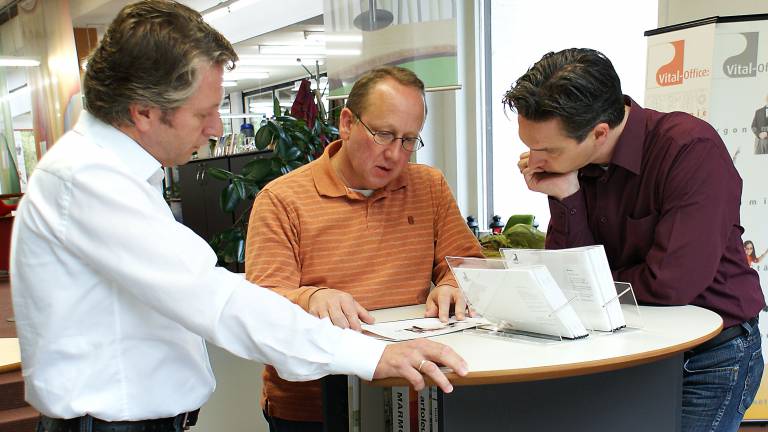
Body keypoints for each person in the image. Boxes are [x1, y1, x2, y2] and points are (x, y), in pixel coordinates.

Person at [9, 3, 468, 432]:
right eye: (204, 113)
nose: (215, 129)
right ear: (144, 112)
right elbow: (216, 301)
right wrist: (371, 355)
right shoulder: (87, 181)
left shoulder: (114, 174)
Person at [504, 48, 765, 432]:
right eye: (530, 146)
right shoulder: (573, 166)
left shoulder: (689, 150)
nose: (533, 161)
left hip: (710, 356)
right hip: (631, 346)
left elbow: (671, 283)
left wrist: (590, 287)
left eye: (548, 150)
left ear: (599, 133)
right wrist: (565, 196)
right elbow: (567, 275)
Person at [245, 66, 484, 430]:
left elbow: (467, 264)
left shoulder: (428, 185)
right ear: (347, 123)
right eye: (383, 135)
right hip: (314, 407)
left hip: (408, 394)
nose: (395, 154)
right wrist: (312, 298)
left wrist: (453, 284)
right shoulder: (281, 200)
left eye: (409, 140)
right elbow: (261, 304)